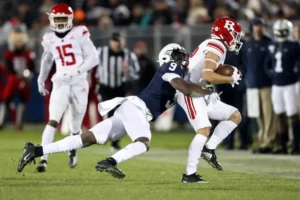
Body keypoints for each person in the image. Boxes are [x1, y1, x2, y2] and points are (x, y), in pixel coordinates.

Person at [17, 43, 212, 181]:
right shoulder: (171, 67)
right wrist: (208, 89)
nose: (183, 59)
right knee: (143, 143)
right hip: (137, 109)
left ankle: (35, 151)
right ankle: (110, 161)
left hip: (131, 110)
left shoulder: (179, 77)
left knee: (86, 139)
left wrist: (205, 90)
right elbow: (186, 89)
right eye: (178, 55)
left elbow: (188, 91)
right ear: (168, 58)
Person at [176, 17, 243, 183]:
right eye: (234, 34)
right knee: (204, 129)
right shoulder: (217, 45)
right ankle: (189, 175)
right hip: (189, 91)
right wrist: (230, 79)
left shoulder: (217, 46)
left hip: (201, 91)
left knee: (234, 116)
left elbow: (206, 77)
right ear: (225, 33)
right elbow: (207, 75)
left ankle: (209, 148)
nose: (236, 38)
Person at [35, 3, 99, 172]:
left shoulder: (79, 33)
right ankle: (43, 158)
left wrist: (76, 71)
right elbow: (47, 59)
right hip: (60, 82)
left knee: (75, 127)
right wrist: (41, 79)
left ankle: (72, 150)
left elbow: (94, 58)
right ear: (52, 19)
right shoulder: (49, 38)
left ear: (70, 19)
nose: (61, 22)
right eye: (58, 19)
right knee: (53, 120)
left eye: (64, 18)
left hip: (79, 82)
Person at [96, 32, 140, 151]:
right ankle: (105, 136)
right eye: (115, 41)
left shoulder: (129, 55)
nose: (117, 43)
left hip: (120, 87)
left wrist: (128, 70)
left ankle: (114, 141)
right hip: (105, 87)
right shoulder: (101, 52)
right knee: (108, 113)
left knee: (119, 115)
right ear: (110, 42)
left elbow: (136, 74)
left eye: (119, 41)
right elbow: (91, 65)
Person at [242, 18, 276, 154]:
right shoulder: (248, 45)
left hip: (267, 84)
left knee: (269, 114)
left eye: (261, 25)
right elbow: (245, 64)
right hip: (252, 84)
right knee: (258, 114)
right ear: (253, 27)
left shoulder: (270, 43)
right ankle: (263, 139)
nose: (258, 27)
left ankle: (269, 141)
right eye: (256, 25)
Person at [267, 19, 300, 154]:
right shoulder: (273, 46)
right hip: (277, 84)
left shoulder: (294, 46)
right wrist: (271, 75)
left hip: (290, 84)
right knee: (279, 113)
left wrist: (295, 73)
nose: (280, 33)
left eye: (283, 31)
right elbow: (267, 63)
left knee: (292, 113)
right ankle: (283, 144)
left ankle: (296, 144)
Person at [0, 27, 35, 130]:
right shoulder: (9, 54)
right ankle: (1, 122)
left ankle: (19, 124)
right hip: (13, 79)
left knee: (23, 100)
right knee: (7, 100)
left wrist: (27, 76)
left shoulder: (28, 54)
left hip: (24, 79)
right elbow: (8, 68)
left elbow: (32, 68)